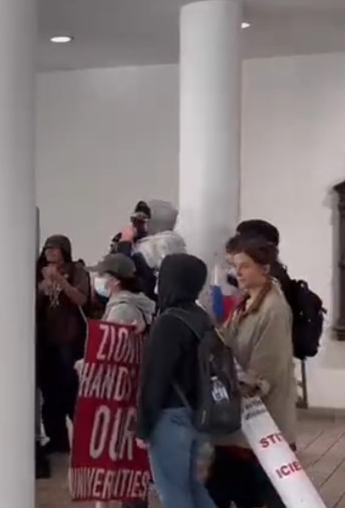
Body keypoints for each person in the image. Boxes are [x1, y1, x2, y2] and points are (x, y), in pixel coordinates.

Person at [207, 238, 296, 508]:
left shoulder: (275, 310)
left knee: (264, 495)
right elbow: (225, 340)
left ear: (264, 268)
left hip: (262, 421)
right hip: (240, 424)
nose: (238, 273)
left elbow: (263, 373)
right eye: (235, 266)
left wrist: (231, 389)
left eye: (244, 266)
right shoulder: (246, 302)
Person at [136, 253, 216, 508]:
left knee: (173, 494)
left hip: (170, 418)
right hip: (198, 413)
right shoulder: (200, 317)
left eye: (162, 275)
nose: (158, 281)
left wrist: (143, 426)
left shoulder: (168, 322)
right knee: (193, 488)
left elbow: (154, 380)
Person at [89, 253, 156, 508]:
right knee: (131, 454)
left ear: (114, 280)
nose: (98, 279)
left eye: (102, 275)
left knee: (117, 454)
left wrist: (88, 365)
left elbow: (113, 353)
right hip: (134, 387)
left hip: (120, 391)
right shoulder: (140, 304)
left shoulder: (121, 308)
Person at [35, 234, 90, 454]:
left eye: (54, 248)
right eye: (47, 248)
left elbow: (82, 300)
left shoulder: (77, 271)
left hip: (70, 339)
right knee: (50, 392)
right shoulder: (39, 272)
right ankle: (57, 439)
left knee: (72, 391)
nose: (49, 252)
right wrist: (42, 287)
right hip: (46, 340)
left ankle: (83, 441)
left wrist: (61, 281)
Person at [114, 199, 186, 301]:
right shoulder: (174, 242)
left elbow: (125, 273)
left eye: (140, 222)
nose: (134, 226)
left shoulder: (159, 244)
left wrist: (125, 243)